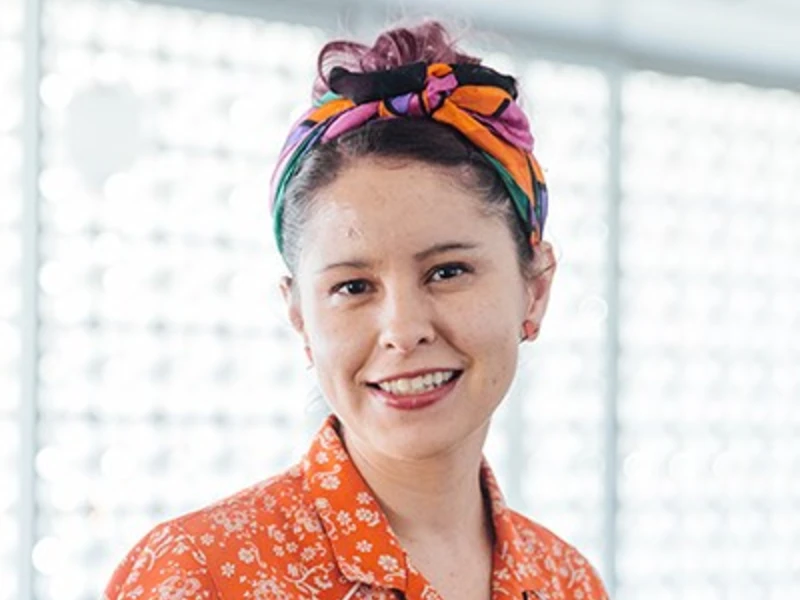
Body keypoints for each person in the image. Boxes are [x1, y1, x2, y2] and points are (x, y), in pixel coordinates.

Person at [105, 21, 610, 600]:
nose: (403, 331)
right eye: (353, 287)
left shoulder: (567, 581)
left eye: (447, 272)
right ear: (300, 317)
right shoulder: (199, 574)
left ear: (535, 289)